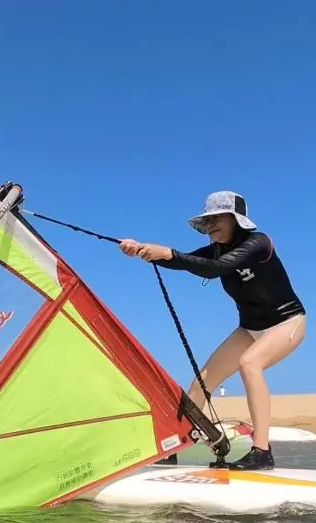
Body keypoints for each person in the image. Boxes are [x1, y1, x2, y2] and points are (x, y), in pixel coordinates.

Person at [119, 191, 306, 470]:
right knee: (202, 382)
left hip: (286, 322)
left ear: (235, 219)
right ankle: (176, 446)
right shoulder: (216, 249)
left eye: (216, 218)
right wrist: (142, 250)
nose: (210, 226)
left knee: (250, 363)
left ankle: (262, 452)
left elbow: (215, 269)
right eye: (206, 221)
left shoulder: (258, 242)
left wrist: (168, 252)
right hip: (249, 328)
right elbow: (185, 261)